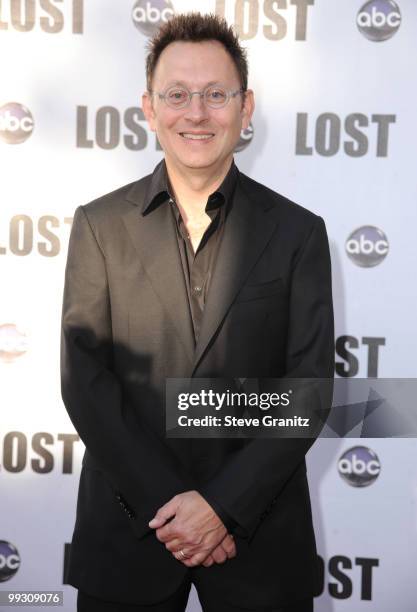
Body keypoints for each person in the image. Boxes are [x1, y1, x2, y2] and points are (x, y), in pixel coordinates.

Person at [60, 12, 334, 612]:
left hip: (257, 542)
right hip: (130, 535)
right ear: (149, 108)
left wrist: (223, 508)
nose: (197, 112)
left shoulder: (298, 232)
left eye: (216, 94)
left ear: (246, 106)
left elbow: (308, 388)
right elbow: (86, 382)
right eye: (177, 95)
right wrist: (173, 507)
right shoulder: (99, 227)